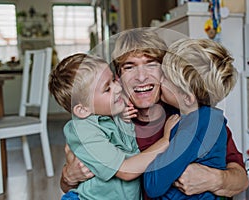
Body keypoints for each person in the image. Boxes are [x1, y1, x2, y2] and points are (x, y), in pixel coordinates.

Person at [60, 28, 249, 198]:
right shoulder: (106, 123)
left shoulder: (191, 116)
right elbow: (77, 189)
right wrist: (68, 177)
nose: (141, 77)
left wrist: (215, 179)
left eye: (151, 64)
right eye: (129, 66)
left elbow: (241, 179)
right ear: (117, 77)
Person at [48, 53, 180, 200]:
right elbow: (125, 171)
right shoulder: (84, 131)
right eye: (107, 89)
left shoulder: (110, 113)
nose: (117, 88)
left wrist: (122, 119)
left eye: (113, 80)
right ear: (83, 110)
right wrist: (166, 141)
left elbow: (128, 147)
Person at [143, 38, 238, 199]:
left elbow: (153, 184)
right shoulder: (208, 119)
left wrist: (166, 140)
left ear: (187, 98)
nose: (159, 80)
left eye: (165, 78)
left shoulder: (193, 129)